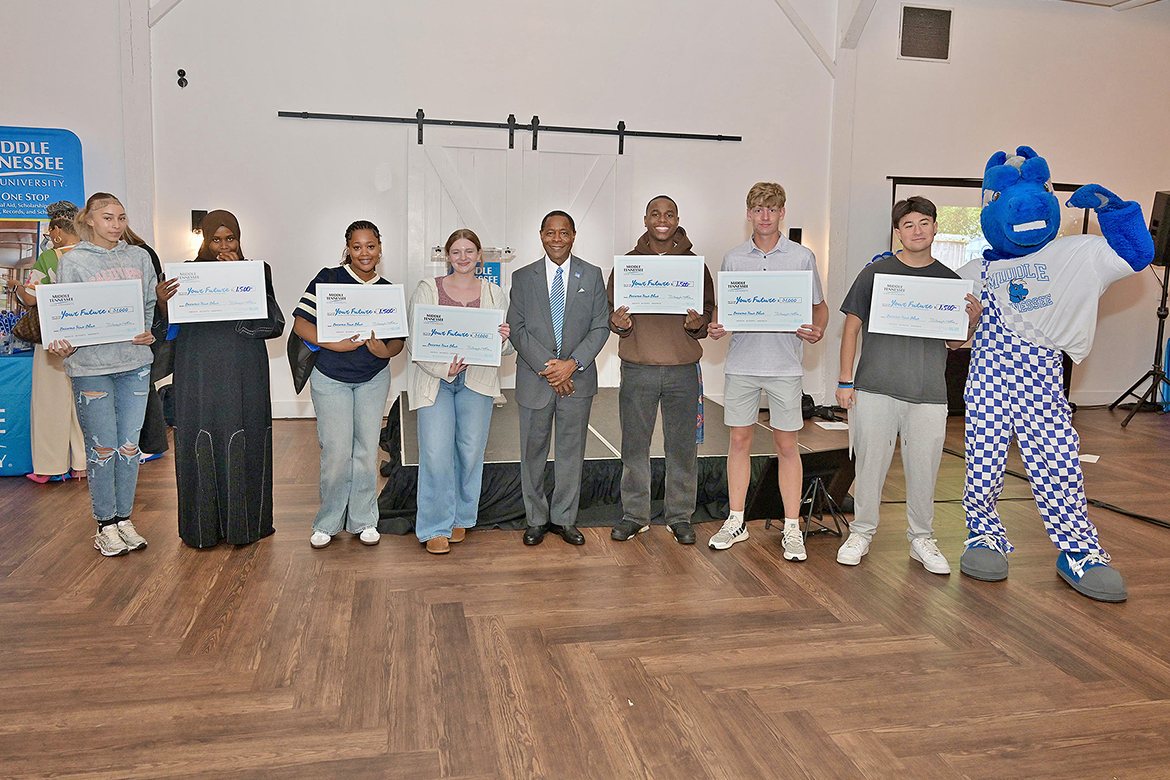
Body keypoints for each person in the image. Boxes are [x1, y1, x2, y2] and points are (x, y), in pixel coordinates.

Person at [835, 197, 981, 573]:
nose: (917, 231)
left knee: (924, 470)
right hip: (874, 388)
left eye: (924, 223)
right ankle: (861, 533)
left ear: (935, 228)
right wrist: (845, 381)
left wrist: (971, 323)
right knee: (869, 467)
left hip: (928, 392)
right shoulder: (875, 274)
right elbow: (850, 329)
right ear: (897, 232)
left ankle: (921, 539)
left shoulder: (951, 282)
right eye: (909, 225)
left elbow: (954, 343)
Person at [707, 182, 828, 560]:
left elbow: (819, 307)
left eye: (771, 209)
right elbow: (724, 310)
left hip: (785, 366)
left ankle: (792, 527)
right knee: (739, 442)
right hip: (742, 364)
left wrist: (818, 329)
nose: (764, 216)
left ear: (782, 213)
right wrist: (717, 326)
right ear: (748, 213)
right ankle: (736, 520)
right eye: (758, 209)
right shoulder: (733, 259)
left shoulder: (802, 257)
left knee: (787, 445)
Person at [155, 210, 284, 548]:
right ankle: (202, 528)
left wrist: (243, 275)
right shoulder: (184, 274)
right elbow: (168, 328)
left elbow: (274, 322)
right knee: (201, 435)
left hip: (244, 368)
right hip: (198, 368)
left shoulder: (258, 271)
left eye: (230, 239)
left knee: (246, 433)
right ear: (205, 240)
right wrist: (163, 303)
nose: (224, 246)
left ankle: (247, 524)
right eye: (216, 239)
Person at [46, 193, 157, 557]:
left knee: (129, 448)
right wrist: (63, 341)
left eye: (121, 217)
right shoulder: (73, 261)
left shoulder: (139, 257)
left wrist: (148, 330)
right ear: (89, 220)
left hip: (134, 364)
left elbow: (148, 305)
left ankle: (124, 519)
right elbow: (64, 311)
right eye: (108, 217)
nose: (116, 224)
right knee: (102, 449)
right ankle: (105, 525)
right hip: (91, 368)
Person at [607, 196, 714, 545]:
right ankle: (634, 516)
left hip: (683, 371)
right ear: (645, 219)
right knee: (634, 448)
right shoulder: (628, 265)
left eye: (669, 214)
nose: (662, 219)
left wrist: (698, 324)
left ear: (677, 219)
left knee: (682, 449)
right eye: (655, 214)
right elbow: (611, 314)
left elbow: (708, 313)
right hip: (638, 369)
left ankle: (679, 516)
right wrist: (619, 323)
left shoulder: (695, 266)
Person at [291, 220, 403, 549]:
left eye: (371, 246)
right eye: (357, 247)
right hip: (330, 378)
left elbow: (397, 342)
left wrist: (384, 351)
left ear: (379, 249)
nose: (364, 252)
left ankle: (364, 520)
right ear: (348, 249)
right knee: (337, 452)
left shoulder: (388, 290)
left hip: (373, 378)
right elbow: (300, 324)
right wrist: (334, 344)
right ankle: (328, 522)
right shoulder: (328, 279)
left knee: (367, 452)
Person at [407, 229, 513, 554]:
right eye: (456, 252)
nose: (463, 257)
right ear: (447, 256)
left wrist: (503, 339)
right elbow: (415, 339)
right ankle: (434, 526)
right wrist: (444, 369)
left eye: (469, 251)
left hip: (477, 382)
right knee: (435, 453)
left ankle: (460, 518)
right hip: (435, 381)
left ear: (479, 255)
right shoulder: (428, 289)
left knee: (470, 452)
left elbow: (506, 348)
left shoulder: (494, 293)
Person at [507, 211, 610, 546]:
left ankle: (564, 518)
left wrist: (572, 364)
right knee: (532, 453)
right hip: (535, 379)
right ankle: (535, 519)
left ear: (573, 236)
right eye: (550, 233)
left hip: (577, 380)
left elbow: (600, 326)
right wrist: (552, 368)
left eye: (563, 233)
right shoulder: (523, 277)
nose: (557, 239)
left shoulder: (592, 275)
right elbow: (517, 330)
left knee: (571, 452)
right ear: (541, 235)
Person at [8, 200, 86, 482]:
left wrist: (17, 288)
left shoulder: (50, 257)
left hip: (54, 335)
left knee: (51, 401)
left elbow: (31, 298)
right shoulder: (93, 254)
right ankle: (82, 463)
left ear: (57, 231)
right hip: (87, 335)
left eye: (50, 231)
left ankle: (51, 466)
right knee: (83, 400)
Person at [123, 225, 170, 462]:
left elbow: (154, 296)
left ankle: (151, 444)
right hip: (135, 327)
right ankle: (150, 444)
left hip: (143, 329)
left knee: (144, 383)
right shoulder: (144, 251)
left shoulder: (141, 253)